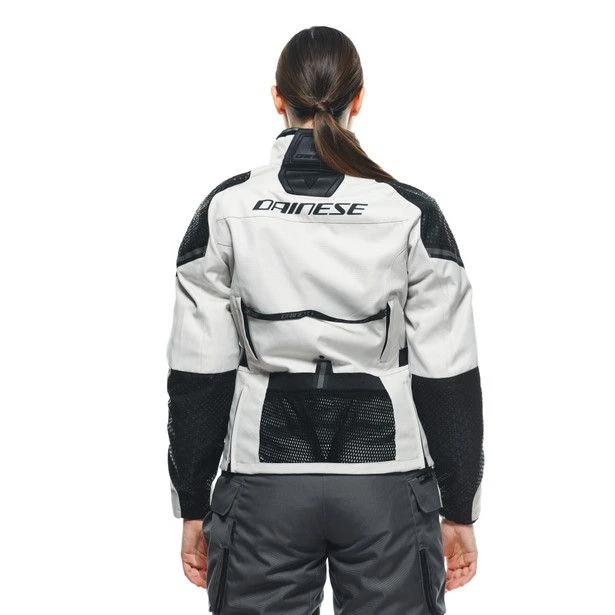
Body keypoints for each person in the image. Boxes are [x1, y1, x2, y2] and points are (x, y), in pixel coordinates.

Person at [166, 25, 484, 615]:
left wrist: (191, 503)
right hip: (385, 485)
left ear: (277, 99)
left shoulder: (226, 210)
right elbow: (449, 374)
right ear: (357, 100)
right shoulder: (411, 213)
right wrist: (459, 507)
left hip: (263, 483)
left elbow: (197, 374)